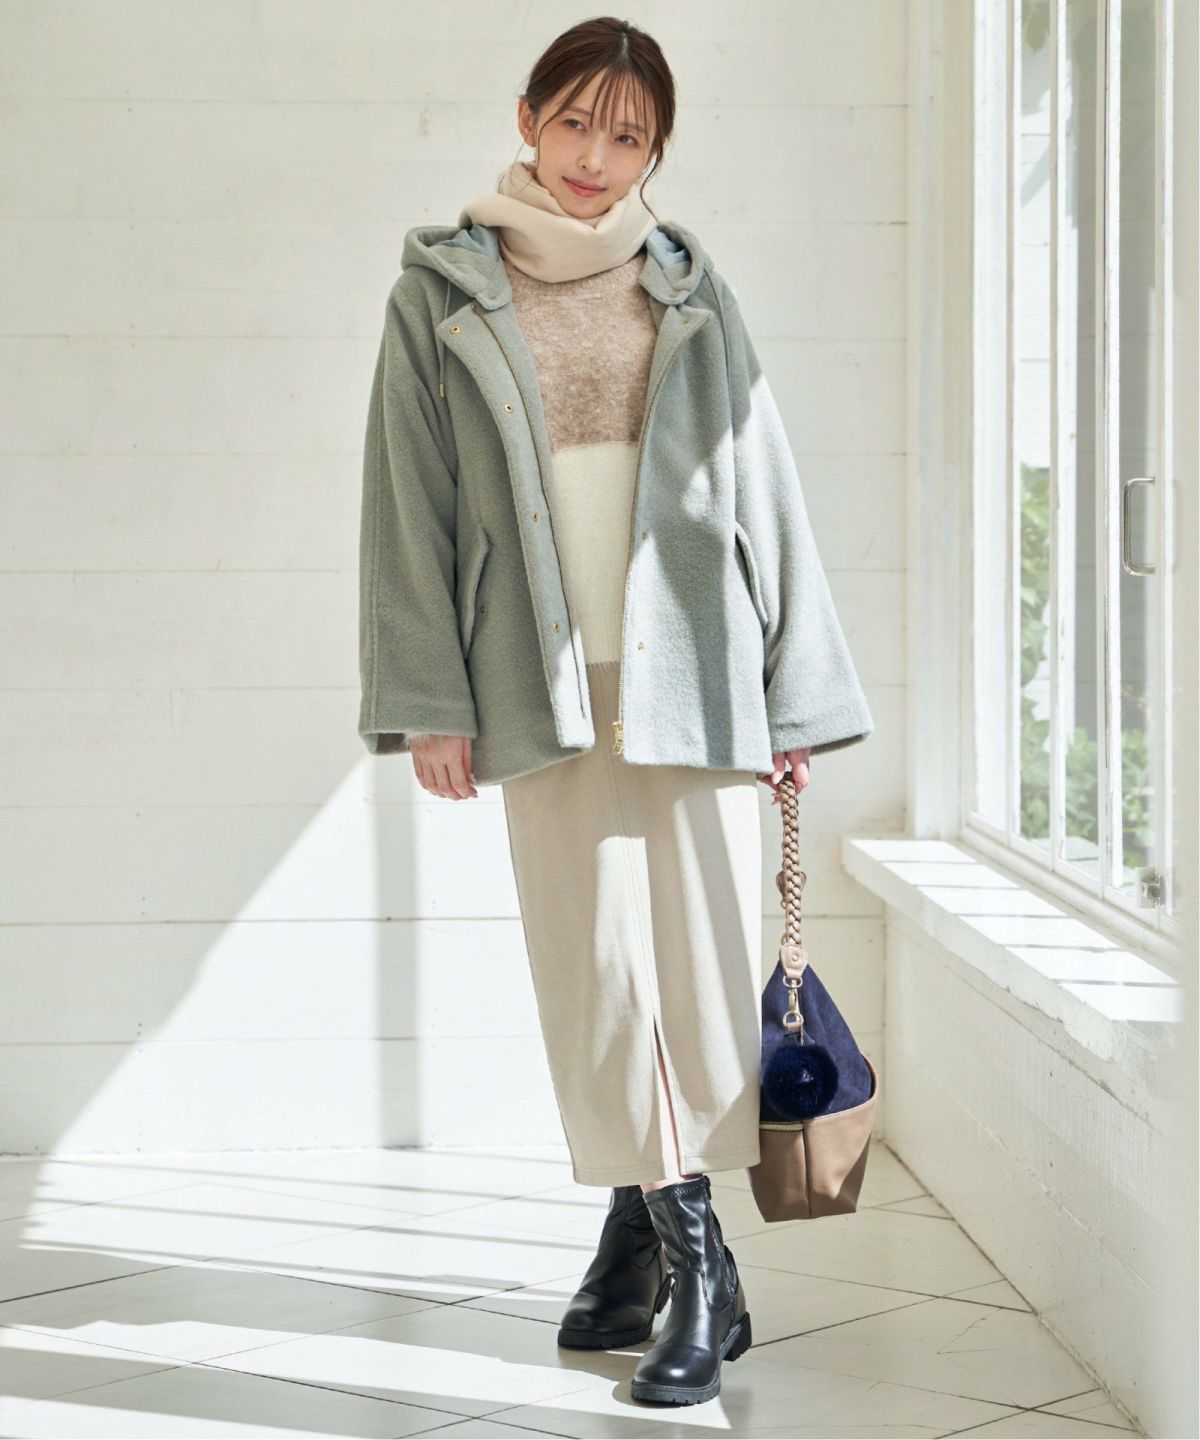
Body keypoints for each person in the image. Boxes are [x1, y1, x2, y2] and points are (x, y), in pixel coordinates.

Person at [358, 16, 874, 1407]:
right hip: (539, 679)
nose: (597, 157)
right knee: (597, 968)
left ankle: (682, 1258)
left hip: (693, 670)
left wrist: (795, 693)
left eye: (630, 135)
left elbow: (763, 484)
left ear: (656, 152)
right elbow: (408, 506)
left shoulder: (687, 286)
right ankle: (664, 1241)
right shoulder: (441, 292)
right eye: (578, 121)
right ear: (529, 116)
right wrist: (429, 701)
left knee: (692, 965)